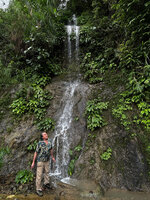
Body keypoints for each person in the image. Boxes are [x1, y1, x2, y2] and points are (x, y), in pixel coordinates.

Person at [31, 132, 56, 197]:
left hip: (47, 160)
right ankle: (38, 189)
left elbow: (51, 149)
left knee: (47, 172)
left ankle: (46, 183)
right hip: (40, 161)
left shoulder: (50, 141)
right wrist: (33, 162)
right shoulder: (40, 143)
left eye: (46, 134)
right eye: (44, 134)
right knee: (39, 175)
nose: (46, 135)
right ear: (42, 137)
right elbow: (36, 152)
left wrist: (52, 157)